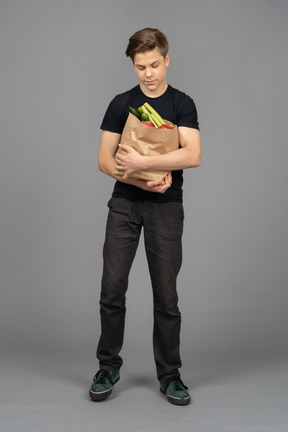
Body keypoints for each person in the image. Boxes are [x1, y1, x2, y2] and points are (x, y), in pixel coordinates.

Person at [89, 28, 201, 406]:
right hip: (124, 204)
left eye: (154, 64)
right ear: (133, 66)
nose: (148, 73)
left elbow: (193, 154)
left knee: (166, 296)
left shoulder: (182, 104)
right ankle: (108, 365)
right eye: (140, 67)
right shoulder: (121, 103)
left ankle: (170, 375)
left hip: (166, 208)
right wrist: (140, 176)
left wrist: (142, 161)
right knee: (111, 289)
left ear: (166, 59)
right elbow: (105, 161)